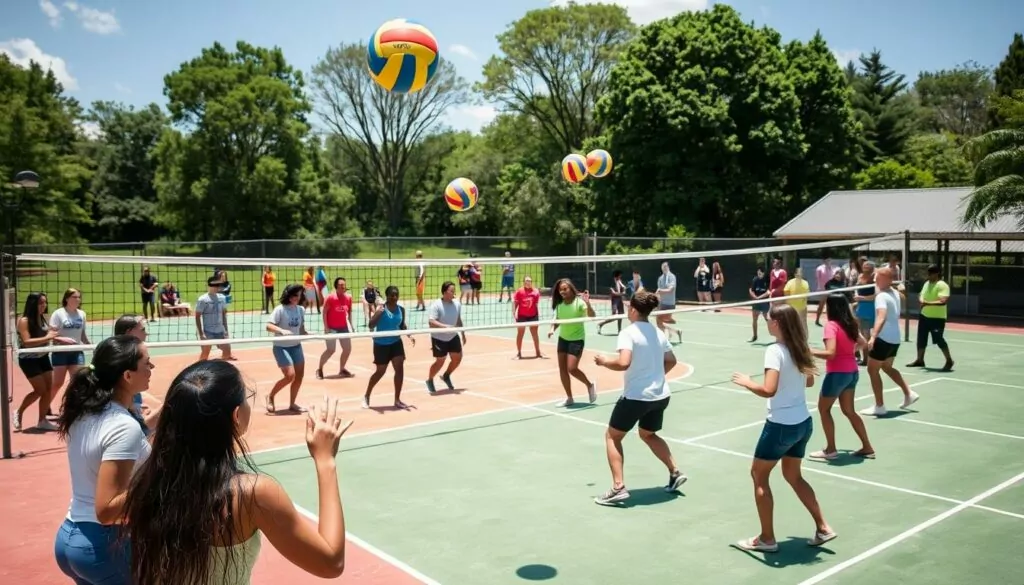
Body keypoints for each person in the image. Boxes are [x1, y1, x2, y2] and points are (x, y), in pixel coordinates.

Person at [122, 361, 351, 585]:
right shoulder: (252, 493)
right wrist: (325, 460)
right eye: (246, 399)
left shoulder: (149, 478)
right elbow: (330, 562)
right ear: (236, 416)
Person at [731, 304, 835, 552]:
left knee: (759, 475)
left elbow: (769, 389)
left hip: (780, 425)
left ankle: (767, 539)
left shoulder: (774, 351)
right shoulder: (799, 347)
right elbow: (809, 381)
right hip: (802, 423)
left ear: (777, 323)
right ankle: (823, 526)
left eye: (769, 319)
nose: (767, 321)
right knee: (793, 475)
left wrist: (747, 382)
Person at [53, 335, 154, 585]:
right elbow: (107, 510)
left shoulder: (85, 411)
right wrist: (163, 482)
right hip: (105, 545)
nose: (152, 369)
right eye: (147, 364)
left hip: (70, 537)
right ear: (127, 376)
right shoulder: (122, 426)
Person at [592, 291, 688, 505]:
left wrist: (605, 361)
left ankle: (618, 487)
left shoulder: (628, 333)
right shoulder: (657, 332)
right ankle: (675, 472)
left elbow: (624, 362)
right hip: (660, 395)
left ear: (633, 309)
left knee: (612, 437)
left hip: (637, 397)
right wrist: (655, 376)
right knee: (648, 434)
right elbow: (671, 360)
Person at [809, 294, 875, 461]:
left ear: (830, 308)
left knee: (824, 409)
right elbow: (863, 343)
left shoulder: (831, 326)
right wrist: (849, 353)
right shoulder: (850, 324)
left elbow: (830, 353)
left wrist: (808, 351)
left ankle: (830, 449)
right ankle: (867, 446)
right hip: (852, 372)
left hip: (837, 374)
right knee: (849, 411)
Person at [859, 267, 919, 417]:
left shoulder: (882, 297)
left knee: (872, 370)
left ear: (885, 279)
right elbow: (901, 296)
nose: (874, 280)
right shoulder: (894, 294)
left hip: (884, 338)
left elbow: (881, 316)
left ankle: (879, 406)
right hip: (895, 339)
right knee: (887, 367)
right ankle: (908, 393)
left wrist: (873, 336)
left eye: (877, 278)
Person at [364, 285, 415, 409]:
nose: (395, 297)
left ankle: (397, 400)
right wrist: (377, 314)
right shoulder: (381, 308)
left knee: (399, 369)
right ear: (387, 296)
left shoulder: (401, 310)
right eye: (392, 295)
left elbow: (402, 325)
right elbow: (371, 324)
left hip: (396, 342)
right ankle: (367, 395)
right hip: (381, 343)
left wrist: (409, 335)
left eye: (396, 295)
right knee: (380, 372)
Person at [548, 278, 597, 407]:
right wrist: (552, 329)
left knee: (572, 368)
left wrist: (589, 304)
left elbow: (592, 316)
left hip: (577, 339)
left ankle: (589, 385)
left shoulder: (579, 303)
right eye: (560, 290)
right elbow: (558, 320)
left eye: (565, 289)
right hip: (563, 339)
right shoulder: (559, 305)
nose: (562, 291)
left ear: (571, 289)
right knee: (562, 369)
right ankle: (569, 397)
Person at [14, 292, 59, 432]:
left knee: (48, 389)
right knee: (39, 390)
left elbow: (46, 335)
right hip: (29, 359)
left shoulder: (42, 318)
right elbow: (27, 342)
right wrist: (48, 337)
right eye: (40, 303)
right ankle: (19, 412)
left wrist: (53, 335)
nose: (43, 305)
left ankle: (42, 420)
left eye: (45, 302)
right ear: (33, 304)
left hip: (43, 357)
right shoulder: (24, 320)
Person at [265, 284, 309, 414]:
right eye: (294, 295)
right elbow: (268, 326)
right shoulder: (280, 309)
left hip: (296, 346)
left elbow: (301, 330)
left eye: (299, 295)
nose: (296, 297)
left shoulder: (300, 309)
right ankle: (271, 396)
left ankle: (292, 403)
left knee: (299, 376)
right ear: (288, 295)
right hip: (281, 347)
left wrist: (310, 333)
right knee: (290, 375)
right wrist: (281, 330)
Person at [113, 314, 161, 431]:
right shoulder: (123, 358)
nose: (146, 333)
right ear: (129, 332)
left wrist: (135, 405)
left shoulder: (117, 351)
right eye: (142, 329)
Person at [906, 264, 954, 372]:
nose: (929, 275)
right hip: (924, 316)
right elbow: (921, 295)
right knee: (921, 338)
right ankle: (920, 360)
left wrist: (927, 303)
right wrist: (921, 299)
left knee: (938, 339)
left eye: (931, 273)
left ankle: (949, 360)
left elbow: (943, 301)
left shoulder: (942, 285)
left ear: (937, 273)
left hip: (937, 318)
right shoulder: (926, 284)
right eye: (928, 273)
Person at [426, 281, 467, 394]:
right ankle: (429, 380)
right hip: (439, 337)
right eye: (451, 290)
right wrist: (445, 327)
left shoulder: (457, 304)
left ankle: (446, 375)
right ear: (445, 292)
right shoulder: (436, 305)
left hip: (453, 335)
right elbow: (431, 322)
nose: (454, 292)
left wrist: (463, 333)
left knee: (457, 358)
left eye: (454, 290)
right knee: (440, 362)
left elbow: (458, 320)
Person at [317, 277, 356, 380]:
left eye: (344, 284)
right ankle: (319, 369)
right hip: (331, 328)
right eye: (341, 285)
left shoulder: (348, 298)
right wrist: (326, 327)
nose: (343, 286)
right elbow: (324, 312)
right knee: (331, 350)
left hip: (343, 327)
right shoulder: (330, 298)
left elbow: (350, 312)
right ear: (336, 287)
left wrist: (351, 325)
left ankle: (342, 369)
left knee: (347, 349)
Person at [195, 276, 234, 361]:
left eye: (218, 285)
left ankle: (220, 368)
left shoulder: (222, 298)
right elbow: (197, 317)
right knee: (205, 354)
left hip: (220, 330)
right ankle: (199, 369)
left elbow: (223, 315)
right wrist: (201, 334)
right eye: (215, 285)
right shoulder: (202, 299)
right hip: (208, 331)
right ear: (209, 286)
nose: (217, 287)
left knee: (227, 351)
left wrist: (226, 330)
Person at [512, 275, 543, 359]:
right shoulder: (519, 291)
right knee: (520, 334)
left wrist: (537, 316)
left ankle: (538, 352)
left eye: (529, 281)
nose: (528, 282)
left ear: (531, 282)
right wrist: (514, 313)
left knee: (535, 334)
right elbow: (515, 303)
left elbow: (536, 305)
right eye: (526, 281)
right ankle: (519, 353)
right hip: (522, 316)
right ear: (524, 282)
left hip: (533, 316)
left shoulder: (535, 292)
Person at [656, 262, 682, 342]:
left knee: (661, 321)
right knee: (659, 321)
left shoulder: (672, 277)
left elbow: (670, 290)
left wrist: (661, 291)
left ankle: (668, 336)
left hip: (670, 303)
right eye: (662, 267)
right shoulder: (660, 278)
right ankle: (674, 332)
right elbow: (658, 291)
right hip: (662, 303)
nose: (664, 268)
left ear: (668, 267)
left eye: (665, 267)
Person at [597, 270, 627, 335]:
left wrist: (623, 289)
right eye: (620, 275)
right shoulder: (611, 282)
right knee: (614, 316)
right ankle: (601, 324)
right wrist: (622, 294)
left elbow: (624, 288)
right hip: (615, 300)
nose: (620, 276)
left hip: (620, 300)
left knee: (621, 315)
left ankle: (619, 330)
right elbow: (613, 293)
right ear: (617, 275)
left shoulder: (619, 281)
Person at [783, 267, 810, 331]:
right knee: (791, 325)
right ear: (795, 274)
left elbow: (807, 296)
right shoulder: (790, 283)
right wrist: (789, 307)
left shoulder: (806, 283)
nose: (799, 274)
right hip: (792, 309)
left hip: (802, 308)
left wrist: (804, 306)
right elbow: (786, 295)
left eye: (800, 273)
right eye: (798, 273)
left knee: (803, 324)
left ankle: (805, 340)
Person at [748, 267, 771, 343]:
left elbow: (768, 292)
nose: (759, 275)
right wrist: (754, 296)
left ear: (763, 273)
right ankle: (754, 336)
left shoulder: (767, 280)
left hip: (764, 302)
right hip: (756, 302)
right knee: (754, 319)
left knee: (767, 319)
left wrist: (759, 298)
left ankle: (775, 336)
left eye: (760, 273)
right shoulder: (755, 279)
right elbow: (751, 289)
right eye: (758, 273)